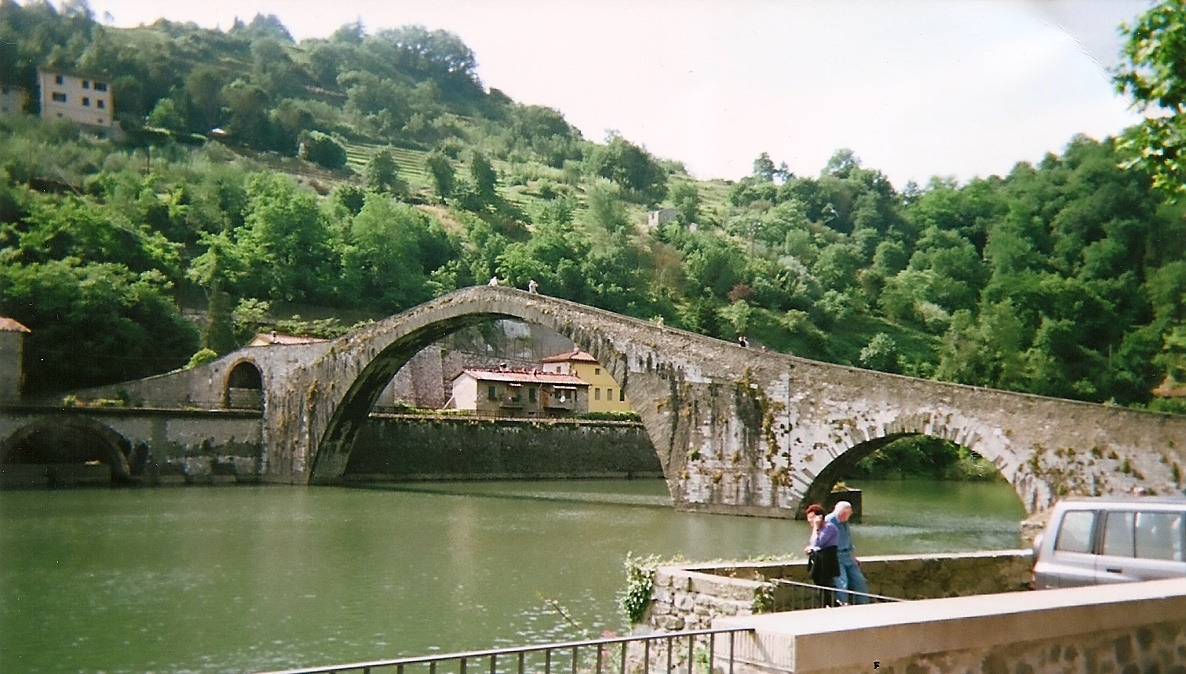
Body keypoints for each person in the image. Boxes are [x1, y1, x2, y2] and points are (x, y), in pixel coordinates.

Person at [826, 501, 869, 604]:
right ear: (842, 513)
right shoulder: (829, 521)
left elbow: (848, 539)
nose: (849, 516)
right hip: (836, 556)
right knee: (842, 583)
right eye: (848, 514)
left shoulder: (844, 521)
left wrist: (853, 556)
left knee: (859, 581)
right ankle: (843, 606)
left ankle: (864, 605)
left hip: (848, 555)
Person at [804, 503, 839, 607]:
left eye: (811, 518)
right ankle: (826, 607)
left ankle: (833, 607)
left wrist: (816, 526)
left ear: (820, 517)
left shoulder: (829, 527)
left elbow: (817, 542)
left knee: (826, 588)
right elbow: (814, 543)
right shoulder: (820, 528)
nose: (809, 520)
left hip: (827, 562)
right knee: (820, 587)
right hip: (820, 561)